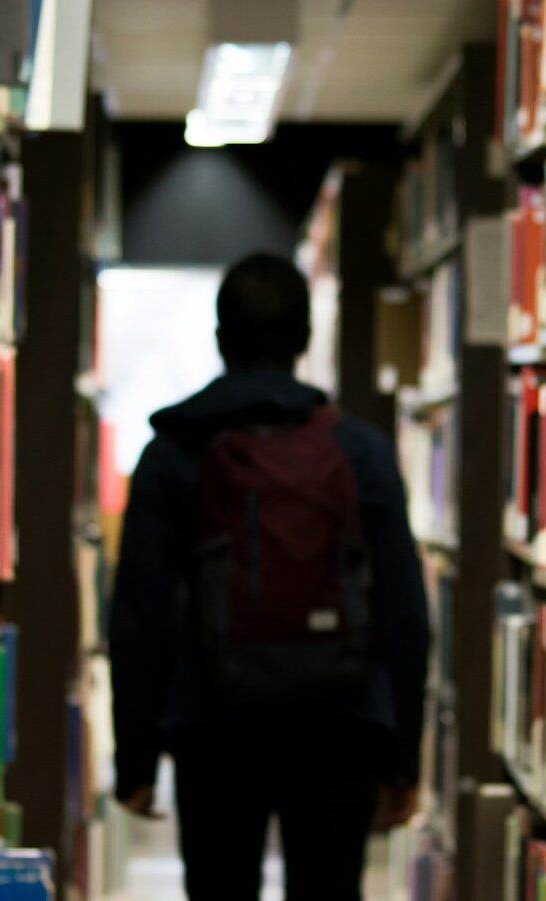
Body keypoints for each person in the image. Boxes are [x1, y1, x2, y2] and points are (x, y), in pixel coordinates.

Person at [109, 252, 431, 900]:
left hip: (214, 725)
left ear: (221, 338)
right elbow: (404, 610)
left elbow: (140, 613)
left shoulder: (173, 450)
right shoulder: (359, 450)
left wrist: (136, 758)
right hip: (339, 724)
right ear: (306, 338)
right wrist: (402, 756)